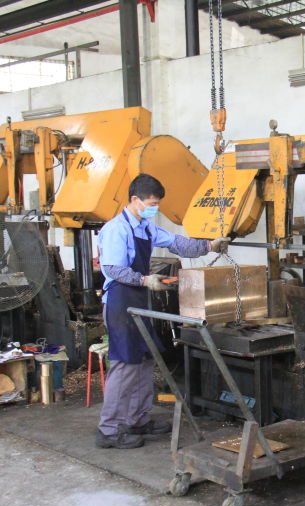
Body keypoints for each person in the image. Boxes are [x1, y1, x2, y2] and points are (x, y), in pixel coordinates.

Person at [95, 173, 229, 449]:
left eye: (157, 204)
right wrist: (144, 280)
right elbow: (113, 269)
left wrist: (208, 245)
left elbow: (177, 243)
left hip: (139, 301)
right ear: (135, 199)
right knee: (125, 364)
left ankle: (136, 419)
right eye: (152, 204)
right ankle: (109, 429)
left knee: (146, 359)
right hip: (120, 301)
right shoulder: (116, 229)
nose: (155, 208)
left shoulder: (145, 227)